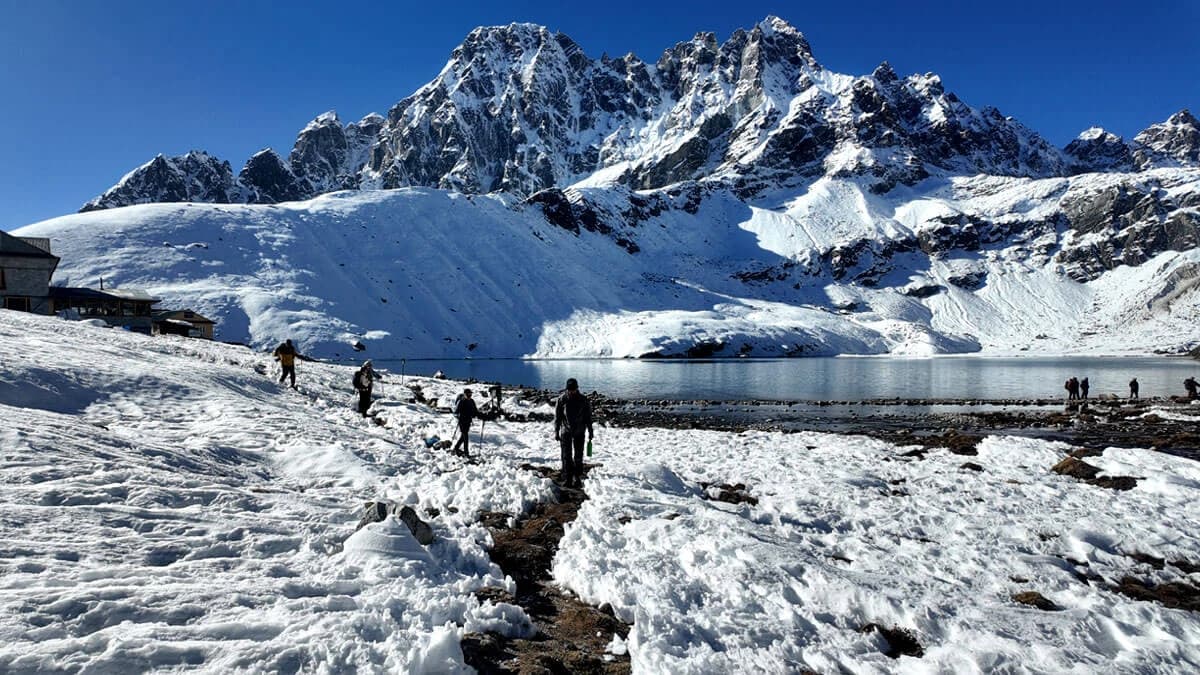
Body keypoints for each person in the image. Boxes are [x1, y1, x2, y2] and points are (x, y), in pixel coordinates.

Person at [554, 378, 593, 488]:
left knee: (578, 456)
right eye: (570, 390)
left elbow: (588, 417)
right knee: (566, 456)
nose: (571, 392)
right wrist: (556, 431)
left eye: (574, 389)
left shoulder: (583, 399)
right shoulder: (561, 399)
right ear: (567, 389)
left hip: (580, 430)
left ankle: (577, 478)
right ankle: (568, 478)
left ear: (577, 388)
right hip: (566, 431)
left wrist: (590, 431)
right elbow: (557, 417)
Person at [451, 388, 479, 456]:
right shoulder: (462, 401)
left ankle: (456, 448)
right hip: (462, 421)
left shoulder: (472, 401)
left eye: (470, 393)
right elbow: (457, 411)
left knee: (463, 437)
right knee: (465, 436)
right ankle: (466, 453)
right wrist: (459, 415)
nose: (469, 395)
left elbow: (475, 411)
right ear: (465, 394)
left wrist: (480, 415)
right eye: (468, 394)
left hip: (468, 421)